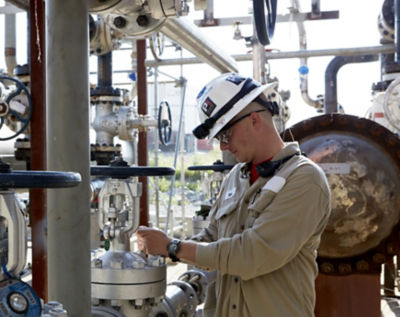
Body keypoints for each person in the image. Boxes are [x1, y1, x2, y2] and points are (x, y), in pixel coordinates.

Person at [136, 73, 331, 317]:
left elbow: (253, 254)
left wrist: (173, 247)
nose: (223, 146)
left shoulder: (304, 179)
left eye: (225, 135)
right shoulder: (236, 177)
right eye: (218, 138)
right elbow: (213, 237)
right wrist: (156, 251)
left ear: (254, 120)